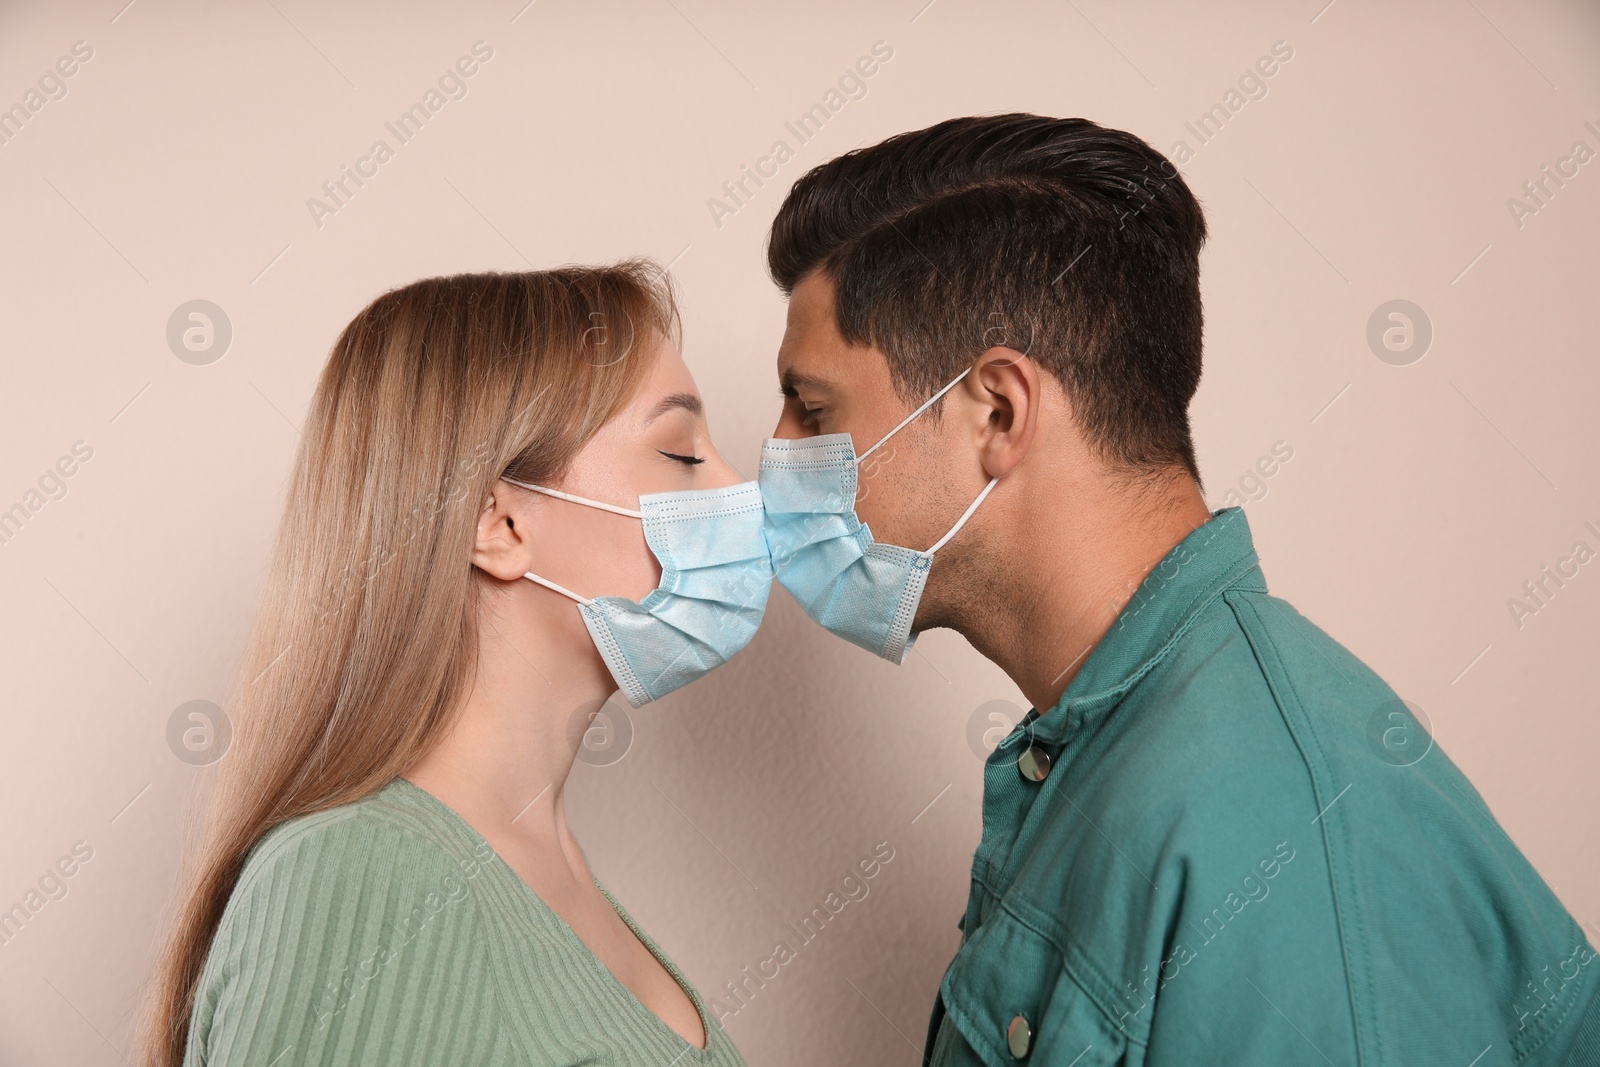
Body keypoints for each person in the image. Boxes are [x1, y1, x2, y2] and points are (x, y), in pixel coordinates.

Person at [757, 114, 1600, 1065]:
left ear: (997, 411)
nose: (780, 456)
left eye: (813, 408)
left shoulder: (1279, 825)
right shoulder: (1107, 748)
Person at [140, 263, 765, 1066]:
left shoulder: (540, 873)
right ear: (497, 523)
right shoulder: (363, 881)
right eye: (680, 453)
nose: (735, 487)